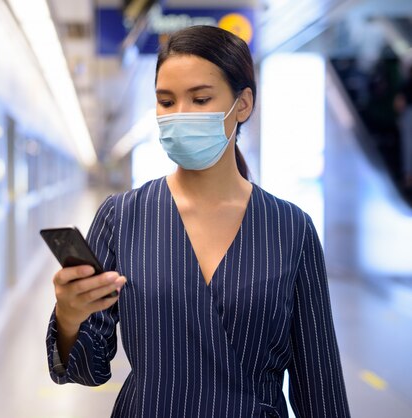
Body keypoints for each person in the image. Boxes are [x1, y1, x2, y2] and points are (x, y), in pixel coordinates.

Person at [46, 25, 350, 418]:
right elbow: (90, 369)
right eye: (166, 101)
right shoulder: (122, 217)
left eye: (201, 98)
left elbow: (319, 386)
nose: (180, 115)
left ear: (242, 105)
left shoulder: (290, 228)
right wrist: (69, 317)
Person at [394, 64, 412, 189]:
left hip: (409, 115)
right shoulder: (406, 84)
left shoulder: (406, 84)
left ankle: (409, 177)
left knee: (408, 145)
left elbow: (399, 103)